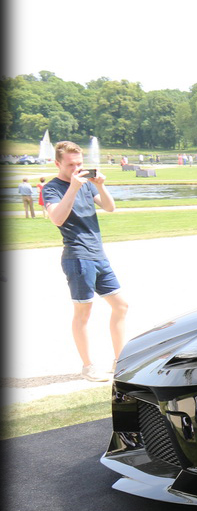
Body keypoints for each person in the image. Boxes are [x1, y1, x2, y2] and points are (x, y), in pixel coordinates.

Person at [42, 141, 128, 382]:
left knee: (121, 306)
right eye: (70, 165)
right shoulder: (52, 188)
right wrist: (73, 187)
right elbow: (57, 219)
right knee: (83, 313)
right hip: (78, 256)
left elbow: (110, 207)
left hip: (98, 254)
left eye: (79, 164)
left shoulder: (86, 184)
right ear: (57, 163)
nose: (76, 168)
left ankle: (119, 360)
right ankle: (88, 367)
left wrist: (100, 185)